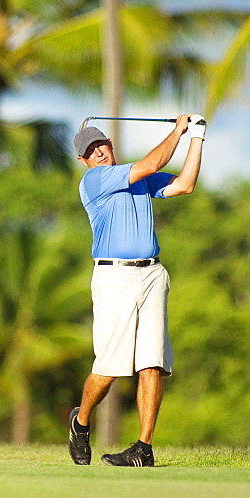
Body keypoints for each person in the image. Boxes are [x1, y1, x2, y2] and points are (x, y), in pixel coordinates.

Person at [69, 114, 206, 467]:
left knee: (152, 363)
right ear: (83, 161)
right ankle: (81, 421)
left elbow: (185, 184)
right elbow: (152, 162)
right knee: (110, 367)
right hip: (115, 278)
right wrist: (177, 129)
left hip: (152, 275)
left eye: (101, 145)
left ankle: (143, 449)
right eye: (91, 151)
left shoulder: (141, 180)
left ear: (110, 145)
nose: (98, 152)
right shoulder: (95, 180)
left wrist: (197, 138)